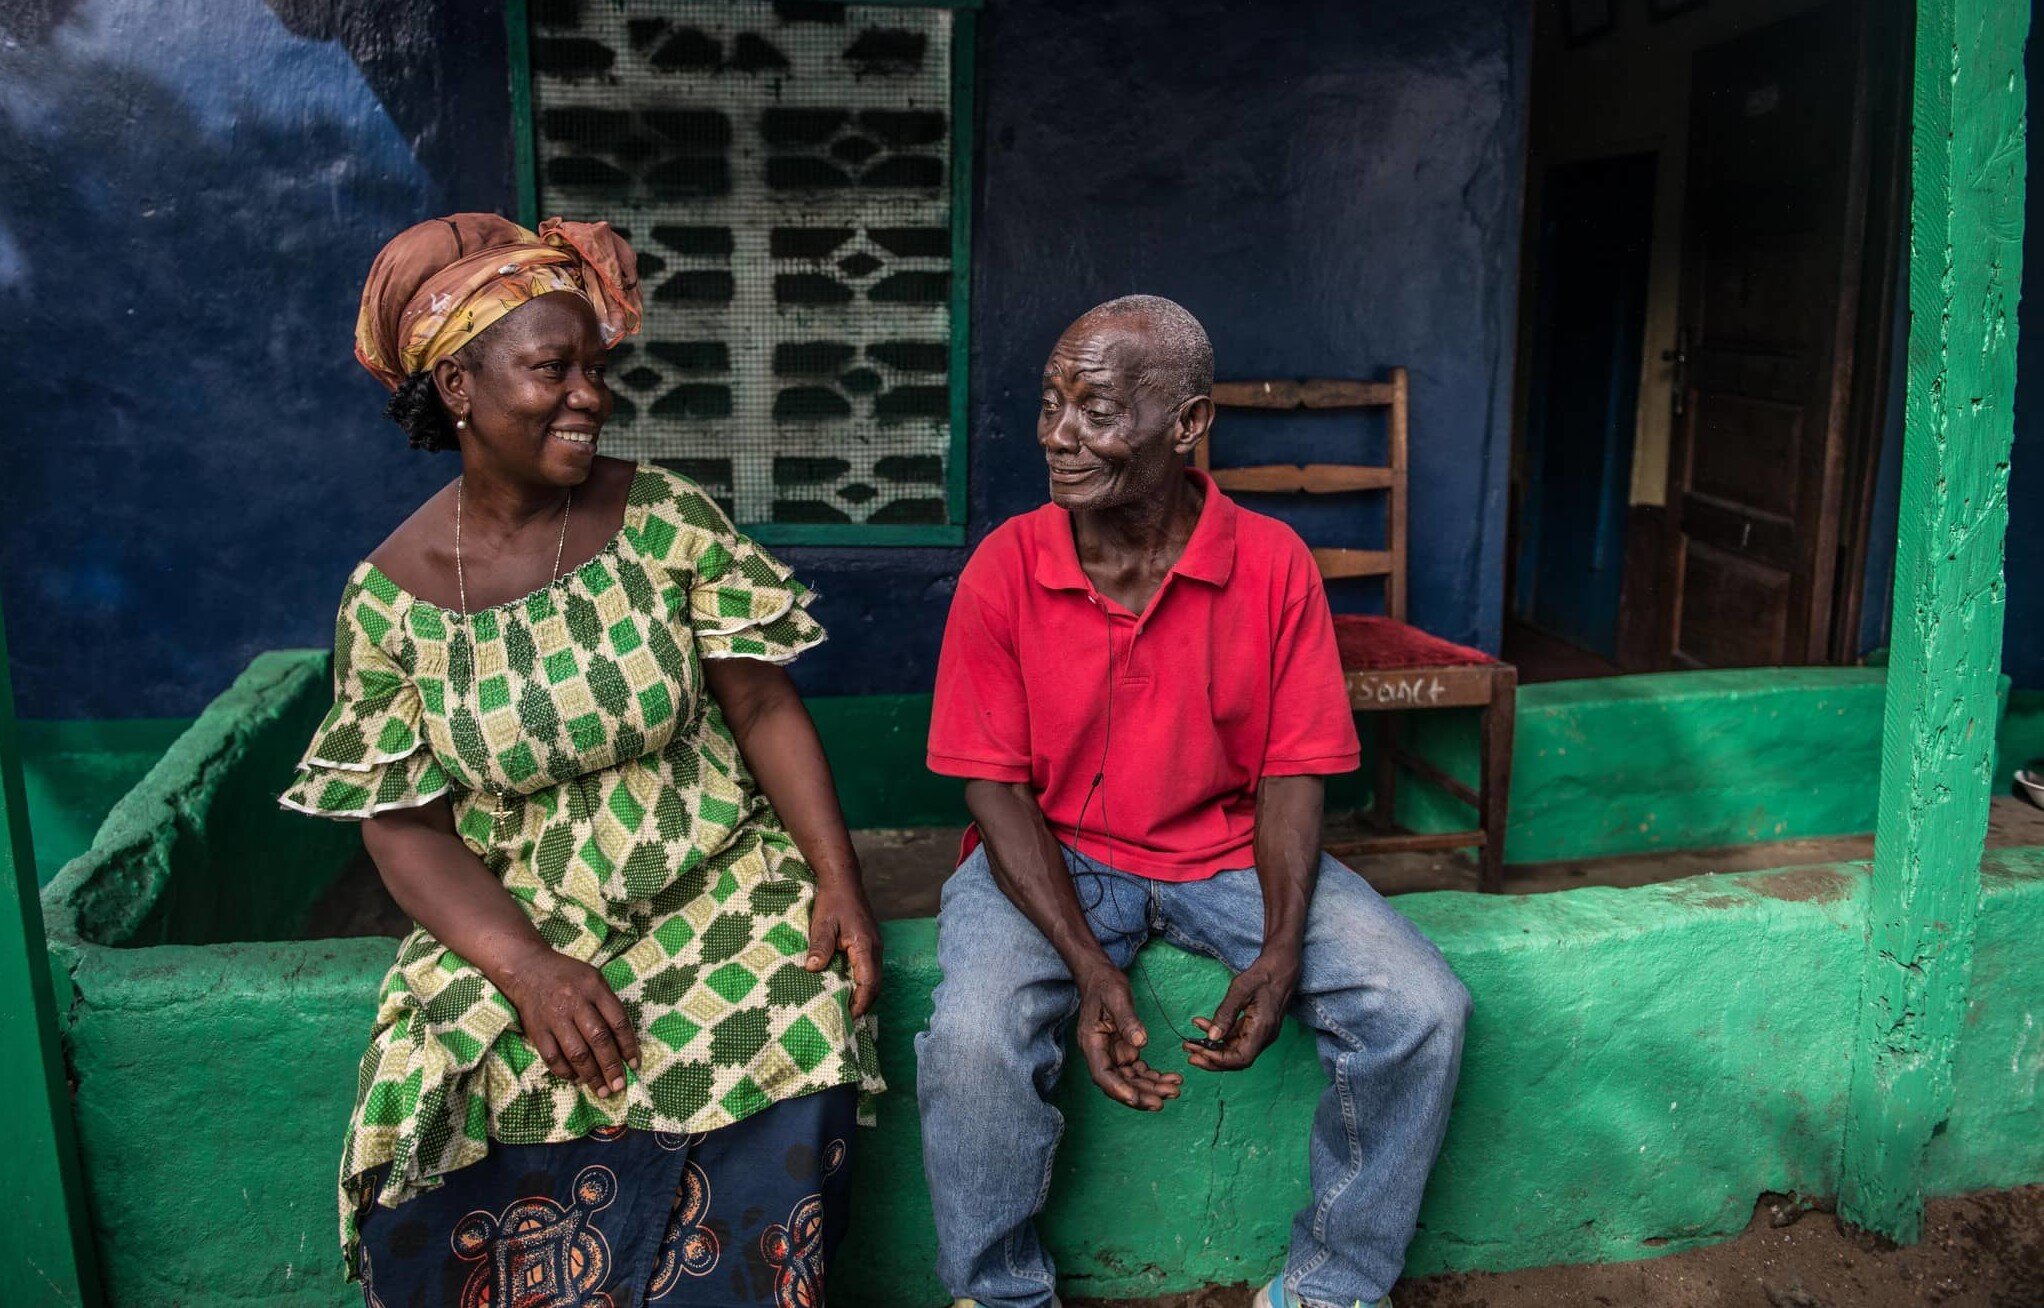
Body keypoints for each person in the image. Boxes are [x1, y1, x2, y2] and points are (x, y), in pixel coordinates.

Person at [282, 212, 883, 1306]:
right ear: (457, 389)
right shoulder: (388, 600)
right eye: (550, 369)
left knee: (796, 1027)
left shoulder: (660, 518)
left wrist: (836, 882)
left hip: (711, 878)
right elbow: (402, 823)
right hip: (518, 907)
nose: (589, 396)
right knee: (457, 1081)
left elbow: (761, 704)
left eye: (595, 369)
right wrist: (524, 968)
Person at [916, 296, 1471, 1308]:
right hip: (1053, 852)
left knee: (1421, 1008)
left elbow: (1292, 774)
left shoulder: (1270, 566)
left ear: (1187, 424)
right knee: (973, 1037)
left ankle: (1332, 1287)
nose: (1056, 435)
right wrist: (1086, 966)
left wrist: (1281, 946)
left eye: (1093, 409)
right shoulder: (1006, 566)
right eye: (1049, 403)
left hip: (1226, 853)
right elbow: (991, 787)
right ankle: (999, 1296)